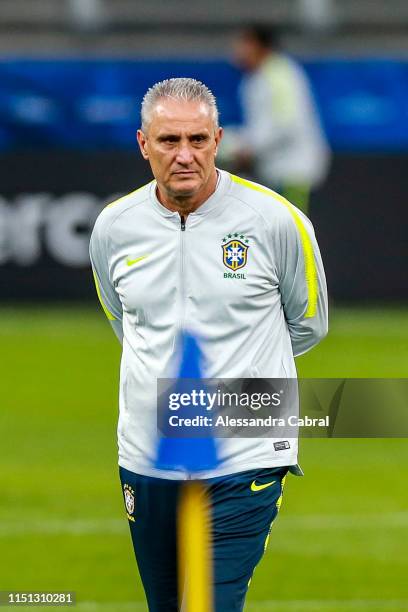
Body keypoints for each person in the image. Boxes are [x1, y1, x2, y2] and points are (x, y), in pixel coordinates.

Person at [89, 77, 328, 611]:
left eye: (198, 140)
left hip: (247, 452)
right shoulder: (114, 227)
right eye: (170, 141)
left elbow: (309, 325)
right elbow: (124, 321)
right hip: (147, 454)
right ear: (143, 144)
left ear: (218, 139)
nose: (185, 156)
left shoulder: (277, 222)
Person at [223, 24, 331, 214]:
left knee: (294, 235)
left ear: (257, 45)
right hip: (274, 170)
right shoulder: (256, 78)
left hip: (293, 172)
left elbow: (286, 124)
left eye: (242, 44)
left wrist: (250, 149)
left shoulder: (279, 74)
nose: (236, 51)